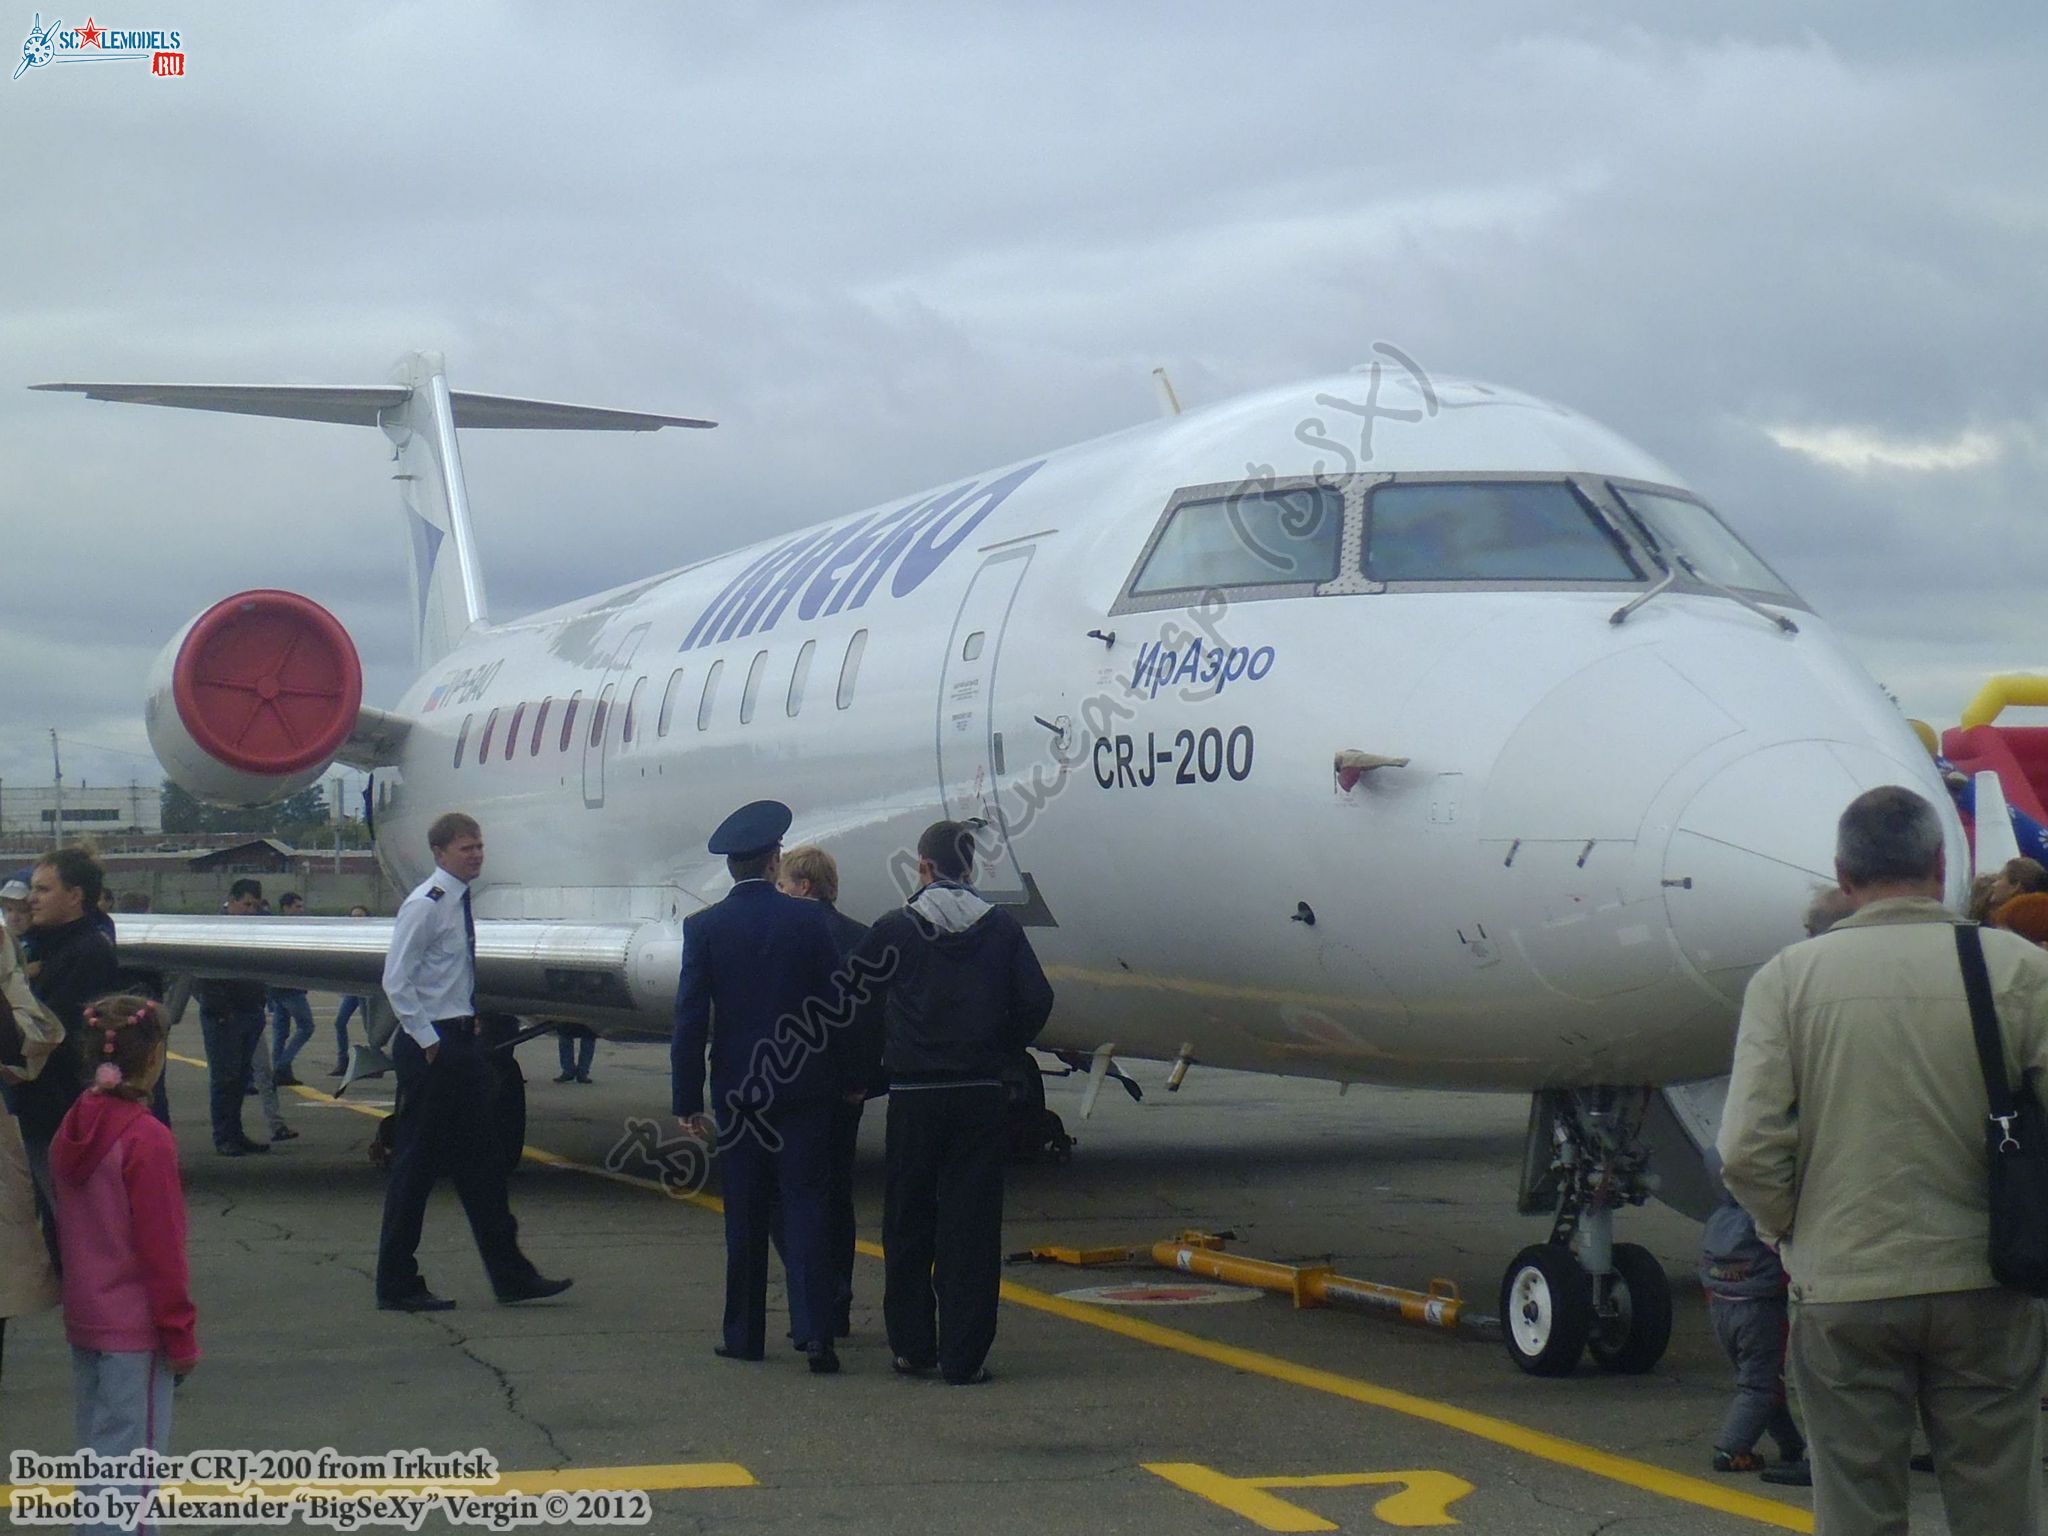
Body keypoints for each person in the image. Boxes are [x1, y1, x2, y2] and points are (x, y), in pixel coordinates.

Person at [1720, 786, 2048, 1535]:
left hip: (1846, 1282)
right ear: (1940, 865)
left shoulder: (1788, 979)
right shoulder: (2014, 967)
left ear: (1843, 873)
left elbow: (1745, 1145)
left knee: (1857, 1507)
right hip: (1987, 1278)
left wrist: (1792, 1233)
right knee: (2000, 1502)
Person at [848, 819, 1054, 1384]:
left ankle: (914, 1345)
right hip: (979, 1091)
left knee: (909, 1221)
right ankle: (965, 1356)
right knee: (972, 1225)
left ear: (923, 866)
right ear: (973, 868)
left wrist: (872, 1066)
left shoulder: (895, 928)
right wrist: (1001, 1046)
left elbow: (852, 1000)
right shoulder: (1003, 928)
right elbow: (1037, 999)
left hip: (914, 1093)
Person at [672, 800, 846, 1373]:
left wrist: (686, 1102)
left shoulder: (704, 929)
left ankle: (745, 1334)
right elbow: (835, 1010)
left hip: (740, 1094)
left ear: (732, 869)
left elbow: (691, 1021)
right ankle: (816, 1331)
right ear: (775, 862)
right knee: (807, 1209)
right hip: (804, 1093)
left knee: (744, 1217)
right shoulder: (810, 923)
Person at [375, 811, 570, 1312]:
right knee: (415, 1167)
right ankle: (396, 1282)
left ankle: (511, 1275)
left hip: (460, 1042)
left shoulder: (460, 902)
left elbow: (448, 976)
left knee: (482, 1165)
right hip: (434, 1049)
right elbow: (396, 980)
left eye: (479, 846)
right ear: (439, 854)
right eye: (466, 848)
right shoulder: (427, 904)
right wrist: (431, 1040)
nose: (476, 854)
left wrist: (468, 1021)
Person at [50, 994, 196, 1533]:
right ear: (155, 1055)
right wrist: (179, 1332)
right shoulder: (146, 1138)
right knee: (134, 1463)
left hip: (87, 1313)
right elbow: (162, 1249)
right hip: (135, 1325)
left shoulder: (76, 1124)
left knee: (99, 1452)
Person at [773, 843, 872, 1341]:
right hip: (844, 1091)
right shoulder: (861, 937)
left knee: (790, 1196)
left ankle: (813, 1298)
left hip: (792, 1089)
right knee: (837, 1197)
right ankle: (837, 1299)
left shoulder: (783, 936)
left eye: (786, 884)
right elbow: (864, 1020)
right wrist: (860, 1081)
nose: (782, 891)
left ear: (803, 886)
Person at [18, 848, 119, 1217]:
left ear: (75, 896)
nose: (31, 898)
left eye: (43, 889)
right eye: (32, 888)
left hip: (60, 1112)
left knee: (72, 1224)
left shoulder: (85, 953)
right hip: (44, 1109)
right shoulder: (50, 946)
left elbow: (51, 1033)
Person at [1700, 1149, 1805, 1475]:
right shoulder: (1762, 1220)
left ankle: (1792, 1445)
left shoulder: (1719, 1219)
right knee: (1759, 1387)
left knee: (1763, 1383)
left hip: (1722, 1308)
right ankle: (1730, 1449)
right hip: (1760, 1312)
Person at [195, 880, 277, 1156]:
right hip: (224, 1018)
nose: (251, 910)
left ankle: (235, 1133)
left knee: (241, 1078)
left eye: (255, 905)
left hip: (249, 1012)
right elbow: (204, 977)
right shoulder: (214, 931)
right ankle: (224, 1136)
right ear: (231, 900)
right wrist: (222, 1013)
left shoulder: (255, 930)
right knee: (225, 1079)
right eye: (246, 904)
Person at [267, 893, 316, 1086]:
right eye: (297, 906)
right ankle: (282, 1065)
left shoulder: (276, 928)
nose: (301, 910)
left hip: (277, 989)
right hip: (290, 989)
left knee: (281, 1032)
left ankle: (282, 1072)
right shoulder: (291, 930)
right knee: (306, 1027)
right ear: (285, 908)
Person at [330, 905, 373, 1075]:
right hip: (352, 988)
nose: (356, 920)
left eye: (360, 916)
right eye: (353, 916)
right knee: (339, 1021)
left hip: (365, 987)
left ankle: (374, 1058)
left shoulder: (371, 937)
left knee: (369, 1026)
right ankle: (343, 1060)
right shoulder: (347, 937)